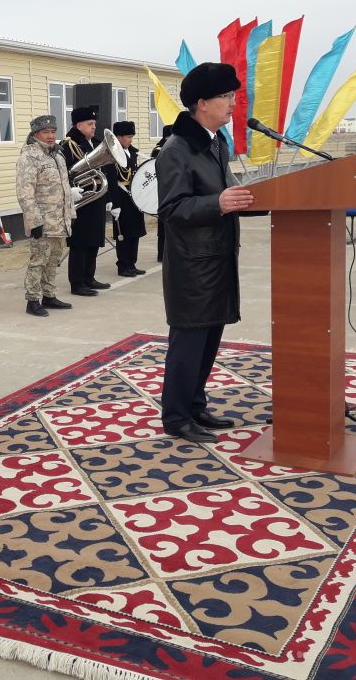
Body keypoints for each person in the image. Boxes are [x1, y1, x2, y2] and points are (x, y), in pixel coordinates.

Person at [157, 63, 255, 443]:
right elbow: (171, 209)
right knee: (189, 343)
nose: (233, 103)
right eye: (226, 96)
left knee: (209, 340)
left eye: (233, 95)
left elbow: (223, 192)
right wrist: (219, 202)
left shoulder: (216, 142)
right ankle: (176, 417)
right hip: (192, 264)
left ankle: (195, 406)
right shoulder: (177, 149)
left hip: (217, 256)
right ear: (202, 103)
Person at [16, 115, 77, 316]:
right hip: (42, 220)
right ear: (35, 134)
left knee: (54, 260)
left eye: (53, 131)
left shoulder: (58, 155)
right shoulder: (29, 156)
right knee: (38, 261)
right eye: (45, 132)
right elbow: (25, 192)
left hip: (60, 220)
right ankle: (33, 300)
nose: (50, 136)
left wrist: (70, 214)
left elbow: (64, 187)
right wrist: (34, 221)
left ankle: (49, 295)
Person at [61, 106, 110, 296]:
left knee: (93, 240)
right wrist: (70, 190)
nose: (94, 127)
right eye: (90, 124)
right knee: (80, 242)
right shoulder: (69, 145)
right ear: (78, 125)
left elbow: (104, 171)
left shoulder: (94, 143)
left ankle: (89, 277)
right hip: (80, 199)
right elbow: (64, 171)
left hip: (95, 197)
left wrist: (108, 198)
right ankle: (77, 283)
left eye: (94, 123)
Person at [104, 121, 147, 276]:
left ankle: (132, 263)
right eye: (128, 137)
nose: (130, 140)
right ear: (118, 137)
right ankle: (123, 266)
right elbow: (111, 181)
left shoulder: (133, 153)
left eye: (131, 136)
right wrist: (114, 203)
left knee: (135, 232)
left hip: (133, 197)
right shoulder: (112, 155)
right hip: (121, 198)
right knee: (124, 234)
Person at [151, 124, 174, 263]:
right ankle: (161, 254)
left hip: (172, 188)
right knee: (163, 224)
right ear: (166, 137)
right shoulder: (158, 150)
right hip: (161, 189)